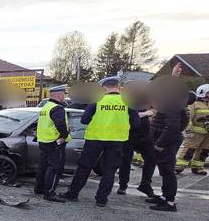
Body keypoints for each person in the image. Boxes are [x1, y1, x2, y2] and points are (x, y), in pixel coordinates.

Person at [64, 76, 137, 207]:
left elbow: (84, 120)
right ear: (118, 87)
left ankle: (73, 193)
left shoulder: (97, 100)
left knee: (84, 167)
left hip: (95, 139)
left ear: (104, 88)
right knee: (109, 170)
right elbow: (136, 122)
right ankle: (101, 199)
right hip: (117, 140)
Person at [146, 92, 189, 211]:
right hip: (167, 140)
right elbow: (183, 121)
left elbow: (172, 126)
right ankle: (165, 197)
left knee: (168, 171)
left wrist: (160, 143)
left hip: (167, 142)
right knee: (165, 171)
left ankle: (170, 202)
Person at [175, 84, 209, 175]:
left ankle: (197, 168)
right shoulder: (194, 104)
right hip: (196, 133)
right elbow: (188, 118)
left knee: (204, 151)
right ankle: (179, 167)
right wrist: (189, 130)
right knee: (189, 150)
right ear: (203, 93)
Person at [118, 90, 157, 198]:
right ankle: (122, 185)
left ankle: (145, 185)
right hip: (128, 135)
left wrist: (147, 113)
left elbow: (156, 109)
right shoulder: (124, 101)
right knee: (125, 161)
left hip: (145, 135)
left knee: (151, 159)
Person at [34, 84, 70, 202]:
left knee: (43, 166)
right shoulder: (57, 108)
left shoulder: (46, 107)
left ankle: (39, 188)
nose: (64, 96)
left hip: (43, 140)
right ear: (59, 95)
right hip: (54, 142)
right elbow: (60, 123)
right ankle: (49, 193)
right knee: (54, 167)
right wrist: (65, 135)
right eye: (64, 94)